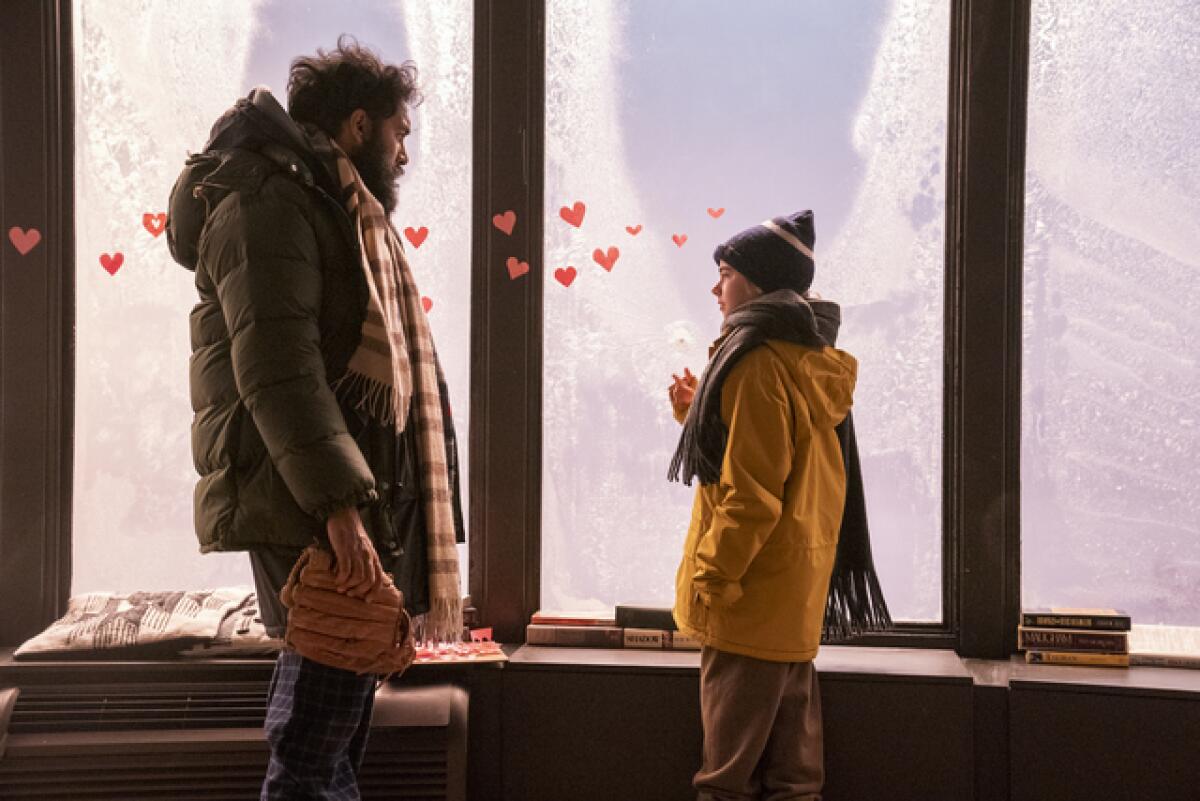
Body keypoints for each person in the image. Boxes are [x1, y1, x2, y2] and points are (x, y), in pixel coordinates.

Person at [166, 36, 465, 800]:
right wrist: (339, 508)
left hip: (338, 506)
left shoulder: (328, 205)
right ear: (360, 126)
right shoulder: (271, 201)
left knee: (326, 741)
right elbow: (278, 369)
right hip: (317, 510)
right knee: (312, 747)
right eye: (400, 134)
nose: (405, 155)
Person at [667, 210, 857, 801]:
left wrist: (712, 575)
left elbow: (752, 496)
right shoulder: (806, 357)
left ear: (754, 282)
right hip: (793, 595)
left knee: (725, 782)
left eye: (724, 273)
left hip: (748, 599)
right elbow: (783, 461)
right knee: (795, 782)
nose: (716, 288)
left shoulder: (754, 363)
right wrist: (698, 412)